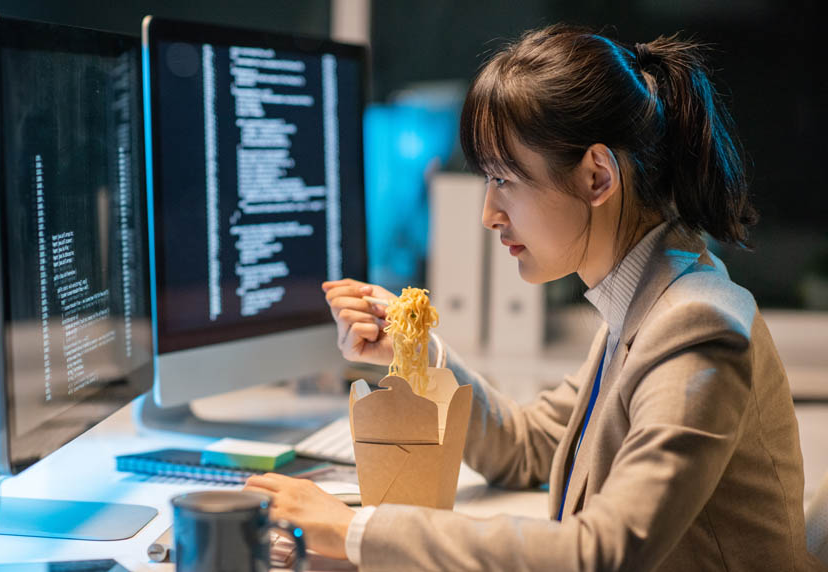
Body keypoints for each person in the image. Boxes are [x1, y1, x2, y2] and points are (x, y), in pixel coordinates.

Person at [244, 24, 823, 570]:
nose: (489, 214)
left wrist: (356, 531)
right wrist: (417, 352)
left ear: (597, 176)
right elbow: (526, 448)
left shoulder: (694, 324)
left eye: (504, 180)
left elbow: (602, 553)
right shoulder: (641, 305)